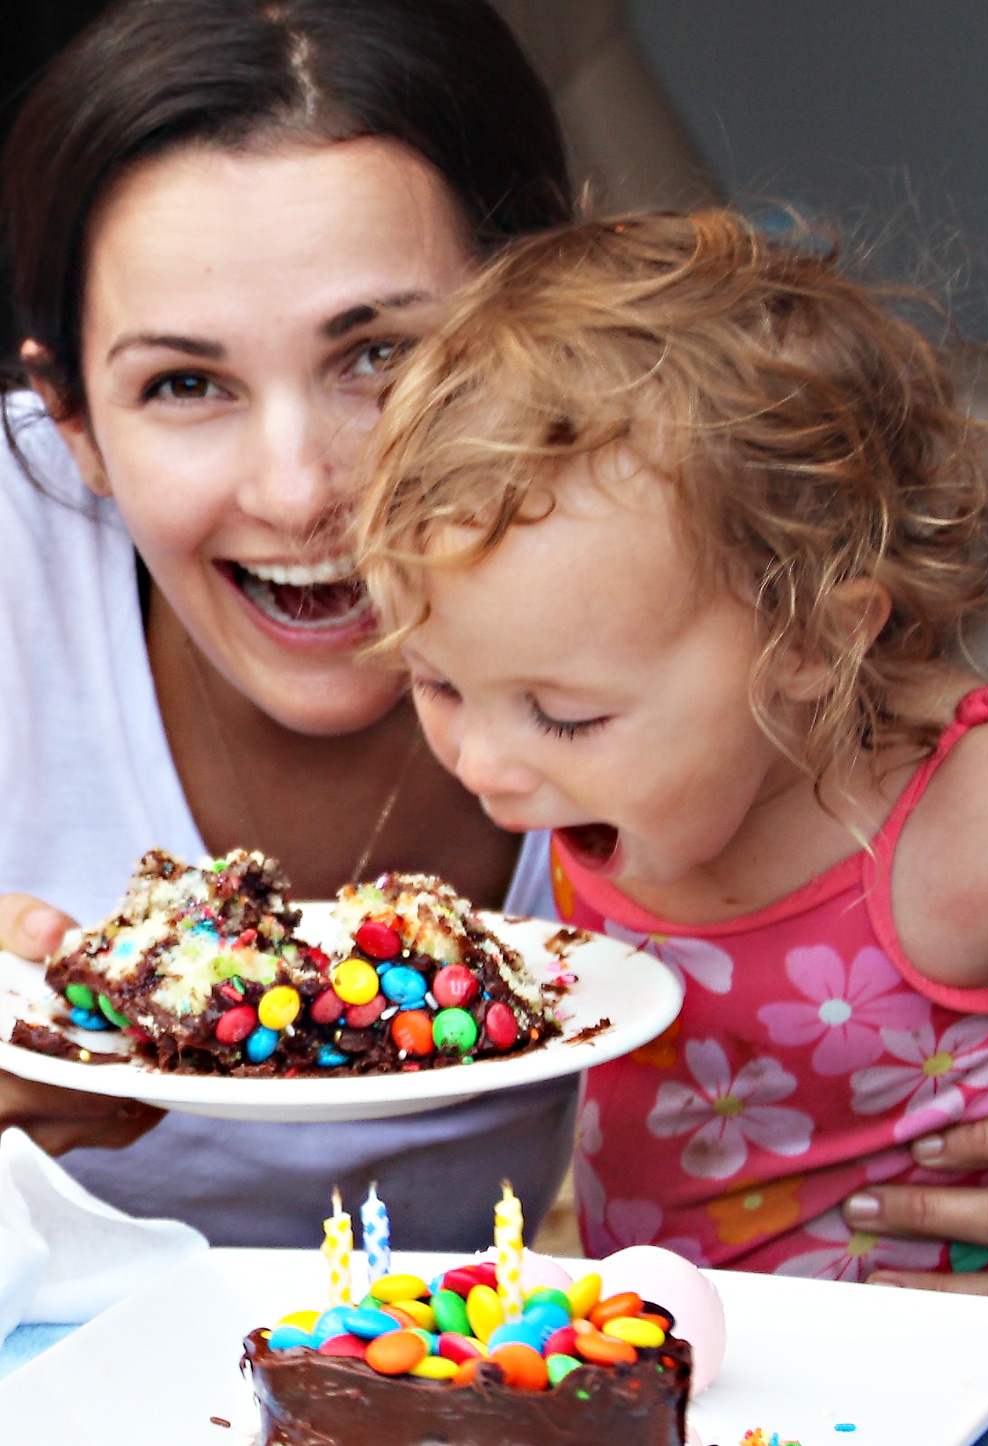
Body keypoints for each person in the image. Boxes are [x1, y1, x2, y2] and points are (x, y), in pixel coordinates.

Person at [0, 0, 580, 1250]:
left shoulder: (709, 560)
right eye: (186, 384)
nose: (301, 490)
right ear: (74, 419)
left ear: (556, 336)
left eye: (378, 356)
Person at [357, 208, 988, 1289]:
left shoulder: (960, 824)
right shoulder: (596, 785)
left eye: (563, 716)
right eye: (436, 684)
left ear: (813, 639)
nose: (484, 765)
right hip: (675, 1377)